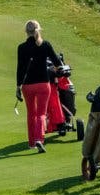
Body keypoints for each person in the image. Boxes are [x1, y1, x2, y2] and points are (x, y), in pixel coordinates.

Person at [15, 20, 66, 153]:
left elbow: (20, 69)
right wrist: (59, 69)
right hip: (43, 84)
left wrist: (18, 86)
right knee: (41, 113)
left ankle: (32, 142)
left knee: (31, 113)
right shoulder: (45, 45)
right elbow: (57, 62)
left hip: (27, 85)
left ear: (26, 32)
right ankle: (39, 138)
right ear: (38, 30)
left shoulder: (21, 47)